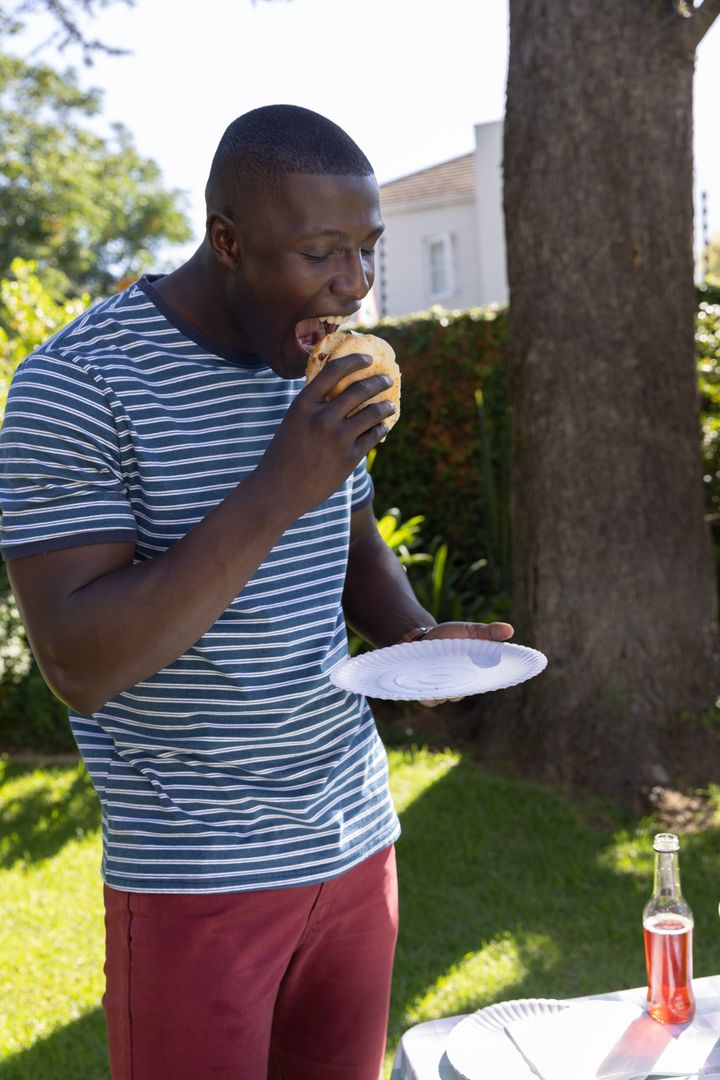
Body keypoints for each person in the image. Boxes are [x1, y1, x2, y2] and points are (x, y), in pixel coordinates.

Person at [0, 104, 513, 1080]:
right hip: (198, 877)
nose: (355, 289)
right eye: (323, 254)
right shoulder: (76, 386)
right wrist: (281, 482)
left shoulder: (312, 369)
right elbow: (79, 660)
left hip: (358, 843)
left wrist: (415, 639)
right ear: (227, 241)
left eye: (368, 252)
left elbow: (351, 540)